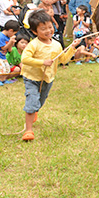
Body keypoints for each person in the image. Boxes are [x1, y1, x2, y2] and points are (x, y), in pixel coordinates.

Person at [20, 10, 80, 141]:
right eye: (43, 29)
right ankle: (28, 131)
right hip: (31, 78)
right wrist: (42, 62)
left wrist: (72, 48)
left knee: (39, 102)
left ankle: (34, 111)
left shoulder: (56, 45)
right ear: (35, 32)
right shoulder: (33, 44)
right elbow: (24, 59)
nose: (48, 31)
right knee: (31, 101)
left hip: (48, 79)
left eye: (49, 27)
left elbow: (63, 59)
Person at [0, 20, 21, 86]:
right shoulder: (1, 36)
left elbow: (9, 49)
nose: (14, 35)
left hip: (2, 56)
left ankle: (3, 80)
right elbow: (3, 48)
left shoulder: (8, 37)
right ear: (10, 30)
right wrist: (10, 42)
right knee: (1, 67)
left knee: (6, 68)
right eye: (14, 33)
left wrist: (11, 43)